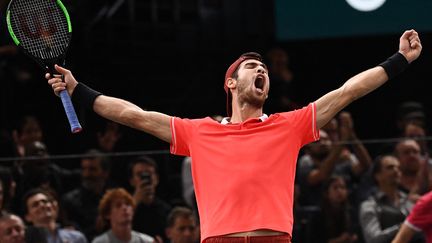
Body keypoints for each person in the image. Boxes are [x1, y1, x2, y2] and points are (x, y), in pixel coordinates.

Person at [47, 30, 422, 242]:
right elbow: (134, 115)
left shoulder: (288, 125)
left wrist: (400, 59)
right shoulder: (200, 131)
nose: (262, 71)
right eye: (252, 67)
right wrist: (79, 89)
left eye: (265, 70)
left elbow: (347, 92)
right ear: (231, 83)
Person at [359, 155, 416, 243]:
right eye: (390, 167)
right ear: (378, 175)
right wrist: (402, 228)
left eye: (398, 168)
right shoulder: (370, 205)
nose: (396, 170)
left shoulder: (409, 201)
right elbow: (373, 239)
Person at [61, 149, 111, 241]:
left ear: (105, 173)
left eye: (92, 169)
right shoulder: (69, 200)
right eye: (84, 169)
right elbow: (70, 235)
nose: (87, 174)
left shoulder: (112, 198)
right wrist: (95, 228)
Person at [128, 156, 171, 240]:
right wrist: (134, 202)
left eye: (149, 174)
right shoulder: (124, 209)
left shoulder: (166, 210)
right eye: (139, 174)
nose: (145, 178)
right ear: (132, 181)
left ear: (157, 179)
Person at [23, 188, 88, 243]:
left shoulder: (76, 238)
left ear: (53, 207)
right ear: (28, 217)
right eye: (35, 204)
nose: (42, 205)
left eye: (45, 201)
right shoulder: (24, 241)